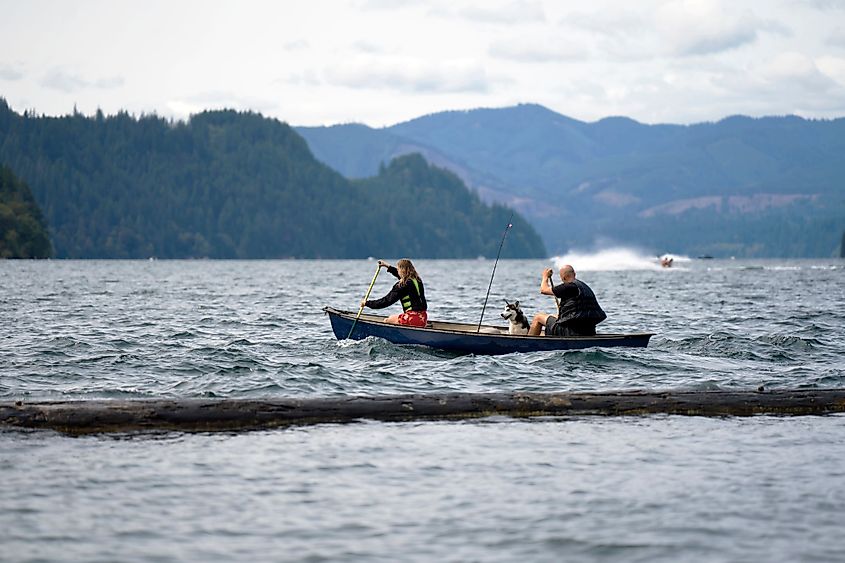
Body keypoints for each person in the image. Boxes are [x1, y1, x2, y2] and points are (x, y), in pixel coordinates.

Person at [528, 264, 607, 336]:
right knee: (554, 316)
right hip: (589, 331)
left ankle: (529, 343)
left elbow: (543, 290)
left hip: (569, 331)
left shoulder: (567, 287)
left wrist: (545, 276)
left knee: (538, 317)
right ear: (574, 274)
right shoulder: (584, 287)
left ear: (563, 278)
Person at [360, 259, 428, 327]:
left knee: (387, 320)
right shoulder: (417, 280)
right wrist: (387, 266)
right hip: (423, 318)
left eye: (398, 269)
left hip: (412, 319)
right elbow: (402, 276)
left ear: (401, 271)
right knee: (393, 317)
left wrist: (367, 303)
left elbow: (386, 301)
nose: (397, 271)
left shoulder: (401, 286)